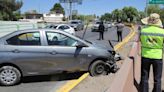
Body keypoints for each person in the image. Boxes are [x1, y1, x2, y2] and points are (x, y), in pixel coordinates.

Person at [139, 13, 164, 92]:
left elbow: (141, 41)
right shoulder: (162, 32)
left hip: (145, 56)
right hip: (158, 57)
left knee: (144, 77)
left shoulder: (143, 31)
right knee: (157, 79)